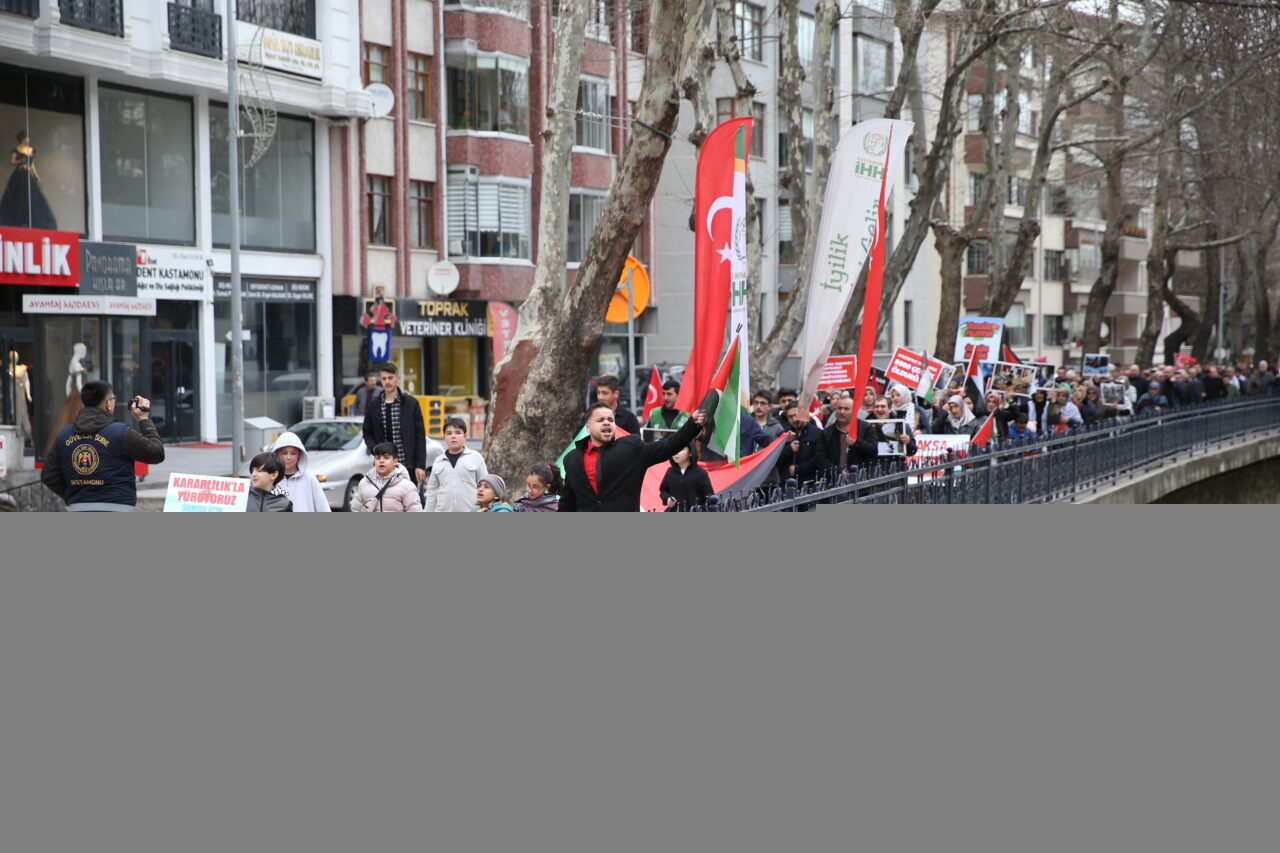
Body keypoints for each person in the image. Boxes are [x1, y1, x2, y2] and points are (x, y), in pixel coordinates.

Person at [41, 381, 165, 511]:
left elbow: (49, 476)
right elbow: (156, 453)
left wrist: (75, 495)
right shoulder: (121, 433)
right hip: (118, 507)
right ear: (108, 404)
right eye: (114, 399)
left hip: (78, 508)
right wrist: (143, 419)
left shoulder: (64, 435)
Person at [560, 401, 706, 512]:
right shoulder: (571, 459)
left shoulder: (631, 448)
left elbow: (668, 447)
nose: (606, 423)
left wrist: (692, 424)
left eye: (610, 420)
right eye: (600, 420)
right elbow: (567, 503)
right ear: (588, 428)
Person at [362, 362, 428, 485]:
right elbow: (367, 432)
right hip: (383, 468)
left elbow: (420, 436)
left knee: (409, 496)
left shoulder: (411, 403)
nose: (387, 381)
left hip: (407, 466)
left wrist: (420, 465)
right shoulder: (374, 405)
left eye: (390, 378)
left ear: (397, 378)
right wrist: (374, 449)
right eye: (384, 378)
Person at [424, 417, 489, 512]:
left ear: (465, 436)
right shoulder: (438, 461)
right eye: (449, 433)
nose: (453, 436)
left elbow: (486, 488)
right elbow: (432, 493)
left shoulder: (476, 458)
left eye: (458, 433)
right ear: (444, 437)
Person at [0, 130, 58, 229]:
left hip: (28, 174)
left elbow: (32, 164)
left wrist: (36, 175)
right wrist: (20, 160)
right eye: (27, 137)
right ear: (22, 138)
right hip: (20, 174)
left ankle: (29, 220)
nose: (28, 139)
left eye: (28, 137)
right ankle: (17, 220)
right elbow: (12, 161)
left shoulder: (30, 149)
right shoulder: (16, 149)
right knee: (18, 195)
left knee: (31, 195)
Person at [814, 396, 879, 477]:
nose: (842, 412)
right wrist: (837, 472)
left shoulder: (866, 428)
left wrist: (856, 442)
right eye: (839, 408)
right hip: (834, 479)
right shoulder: (827, 433)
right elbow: (820, 458)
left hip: (861, 478)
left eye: (846, 409)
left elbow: (873, 451)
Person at [270, 431, 331, 512]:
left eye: (293, 453)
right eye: (284, 453)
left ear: (299, 454)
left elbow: (323, 508)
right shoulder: (270, 478)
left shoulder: (309, 478)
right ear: (277, 453)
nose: (289, 457)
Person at [354, 442, 423, 512]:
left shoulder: (407, 486)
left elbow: (415, 510)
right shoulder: (364, 483)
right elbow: (355, 509)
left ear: (395, 461)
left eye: (386, 458)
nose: (381, 461)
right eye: (378, 458)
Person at [776, 401, 822, 485]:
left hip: (810, 482)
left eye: (796, 415)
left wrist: (799, 469)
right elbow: (777, 459)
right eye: (790, 416)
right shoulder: (783, 435)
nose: (794, 419)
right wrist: (789, 449)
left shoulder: (818, 433)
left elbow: (820, 458)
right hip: (788, 483)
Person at [660, 443, 714, 511]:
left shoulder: (700, 473)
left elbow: (709, 497)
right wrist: (667, 498)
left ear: (690, 453)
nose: (676, 452)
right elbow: (663, 490)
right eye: (674, 449)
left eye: (681, 449)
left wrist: (701, 510)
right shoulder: (670, 472)